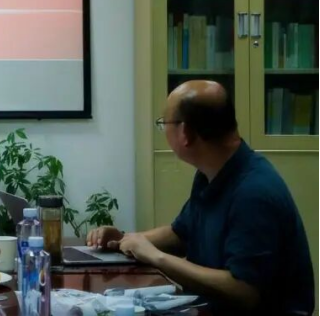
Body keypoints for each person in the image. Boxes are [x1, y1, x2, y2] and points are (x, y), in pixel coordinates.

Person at [87, 80, 315, 315]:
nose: (163, 130)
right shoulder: (212, 172)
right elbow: (181, 233)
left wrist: (156, 257)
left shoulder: (254, 192)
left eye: (164, 123)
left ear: (185, 132)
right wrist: (124, 240)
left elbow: (245, 291)